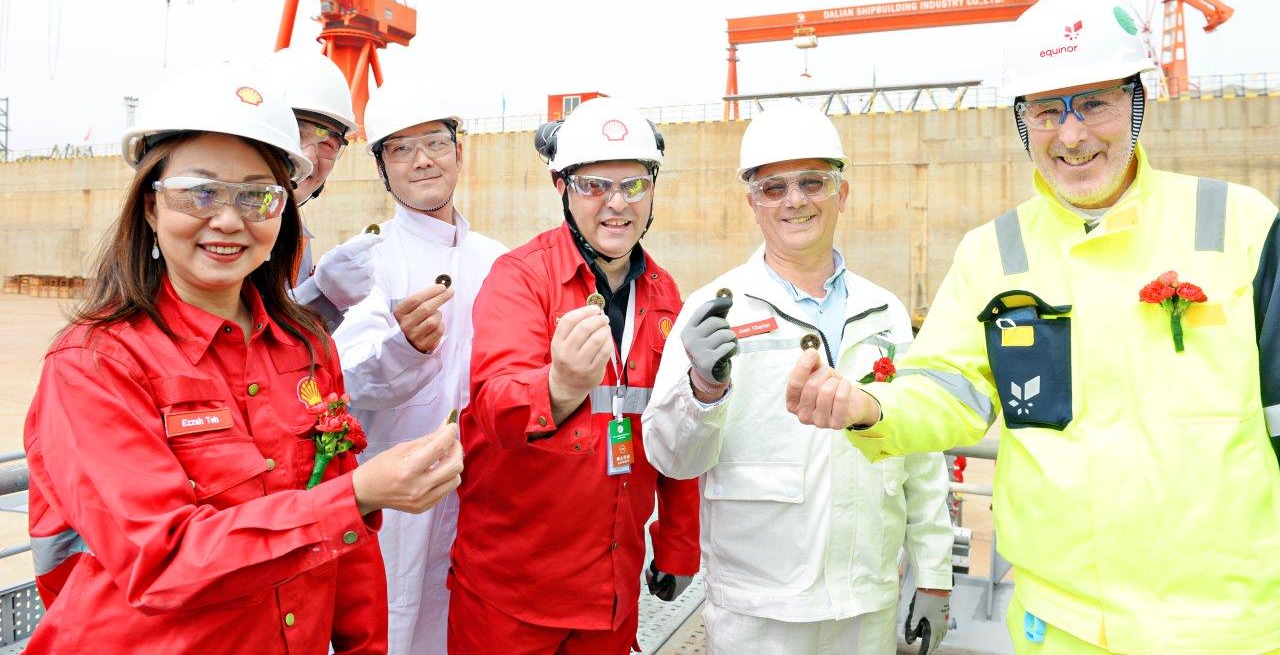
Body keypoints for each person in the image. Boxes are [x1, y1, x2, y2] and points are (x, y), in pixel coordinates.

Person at [786, 0, 1280, 654]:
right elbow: (950, 387)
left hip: (1227, 630)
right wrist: (872, 405)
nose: (1072, 135)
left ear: (1137, 100)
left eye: (1094, 103)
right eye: (1047, 110)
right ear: (1022, 121)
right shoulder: (995, 252)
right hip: (1059, 629)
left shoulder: (1240, 228)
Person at [23, 61, 464, 654]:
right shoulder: (96, 363)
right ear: (150, 207)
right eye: (200, 192)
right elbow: (163, 560)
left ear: (282, 210)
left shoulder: (307, 347)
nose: (228, 220)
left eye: (257, 196)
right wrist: (355, 494)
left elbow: (349, 553)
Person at [643, 100, 952, 654]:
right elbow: (672, 459)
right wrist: (702, 390)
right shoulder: (717, 309)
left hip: (866, 604)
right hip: (759, 610)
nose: (795, 201)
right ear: (752, 204)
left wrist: (933, 574)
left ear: (842, 193)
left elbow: (920, 452)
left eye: (813, 182)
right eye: (774, 187)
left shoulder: (884, 312)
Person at [447, 97, 700, 653]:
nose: (616, 204)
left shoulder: (664, 297)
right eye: (593, 186)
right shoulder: (520, 280)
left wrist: (679, 548)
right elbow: (495, 412)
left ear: (653, 190)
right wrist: (558, 386)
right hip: (511, 597)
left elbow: (675, 429)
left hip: (611, 594)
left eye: (633, 185)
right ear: (562, 188)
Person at [332, 78, 506, 654]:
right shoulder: (370, 259)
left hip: (483, 493)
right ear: (382, 168)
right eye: (401, 149)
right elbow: (349, 378)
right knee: (394, 626)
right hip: (398, 497)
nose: (423, 160)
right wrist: (404, 348)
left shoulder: (499, 261)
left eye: (434, 142)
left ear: (461, 150)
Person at [269, 46, 383, 330]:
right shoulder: (223, 226)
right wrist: (322, 296)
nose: (308, 157)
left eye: (327, 144)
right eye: (294, 133)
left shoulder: (296, 232)